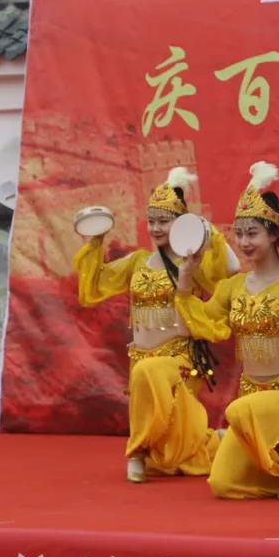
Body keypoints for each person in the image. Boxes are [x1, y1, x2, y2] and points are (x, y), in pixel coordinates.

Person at [175, 162, 279, 499]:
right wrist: (186, 279)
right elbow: (199, 323)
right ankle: (275, 468)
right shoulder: (233, 287)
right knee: (222, 484)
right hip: (251, 395)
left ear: (273, 234)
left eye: (253, 233)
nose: (244, 242)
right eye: (239, 234)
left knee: (236, 411)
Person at [74, 167, 237, 482]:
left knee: (148, 374)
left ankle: (136, 451)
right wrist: (95, 242)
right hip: (141, 357)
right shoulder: (138, 262)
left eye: (164, 221)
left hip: (180, 359)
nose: (156, 228)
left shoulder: (191, 264)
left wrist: (207, 231)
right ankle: (212, 441)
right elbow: (94, 286)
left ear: (179, 223)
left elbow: (231, 269)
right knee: (175, 451)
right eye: (151, 221)